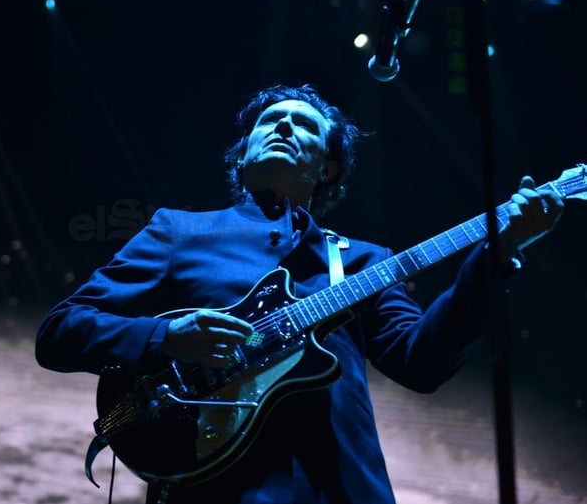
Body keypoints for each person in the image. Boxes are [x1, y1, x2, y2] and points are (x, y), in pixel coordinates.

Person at [34, 83, 564, 504]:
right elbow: (59, 332)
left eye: (304, 124)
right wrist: (165, 335)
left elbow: (419, 363)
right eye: (271, 120)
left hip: (340, 489)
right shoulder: (180, 231)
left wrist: (496, 256)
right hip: (211, 485)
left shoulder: (362, 261)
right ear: (243, 155)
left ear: (327, 168)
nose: (285, 124)